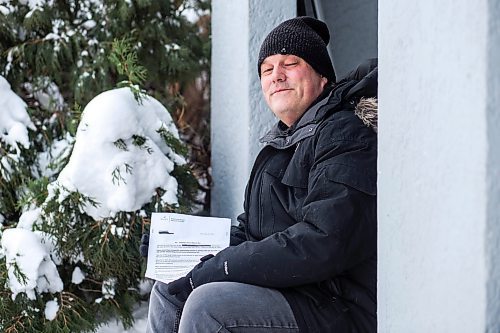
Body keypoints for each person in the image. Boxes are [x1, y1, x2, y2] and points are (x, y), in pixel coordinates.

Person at [145, 16, 378, 333]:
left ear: (323, 77)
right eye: (267, 70)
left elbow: (324, 241)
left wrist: (220, 268)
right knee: (168, 293)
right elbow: (252, 233)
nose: (277, 76)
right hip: (299, 294)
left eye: (290, 63)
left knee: (208, 307)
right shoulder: (279, 149)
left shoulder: (344, 134)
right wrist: (173, 248)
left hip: (338, 305)